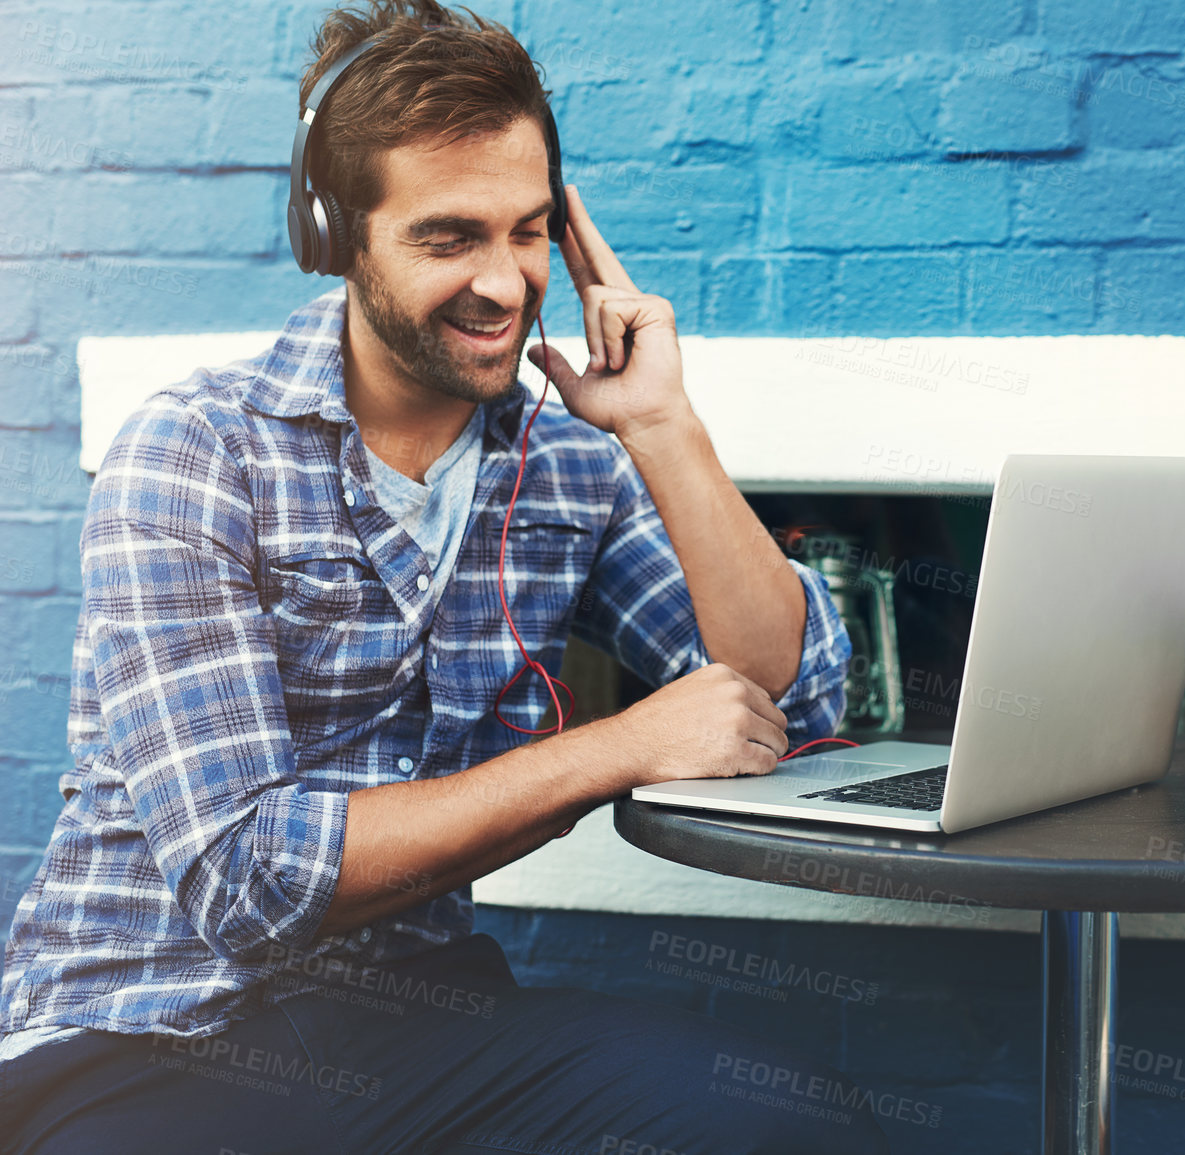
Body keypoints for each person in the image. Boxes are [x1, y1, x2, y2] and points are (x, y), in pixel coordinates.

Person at [0, 2, 887, 1151]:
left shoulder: (569, 467)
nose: (507, 284)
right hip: (146, 1033)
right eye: (448, 237)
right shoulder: (195, 452)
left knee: (790, 1121)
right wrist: (619, 747)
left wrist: (663, 427)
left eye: (528, 233)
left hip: (419, 1023)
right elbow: (249, 881)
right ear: (337, 235)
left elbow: (801, 699)